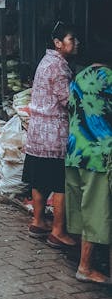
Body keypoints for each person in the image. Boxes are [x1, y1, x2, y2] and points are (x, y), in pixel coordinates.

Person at [23, 21, 78, 248]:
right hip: (53, 134)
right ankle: (57, 231)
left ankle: (38, 221)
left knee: (39, 179)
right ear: (58, 43)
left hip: (37, 133)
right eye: (71, 39)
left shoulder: (46, 61)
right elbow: (68, 100)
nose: (76, 43)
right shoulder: (60, 67)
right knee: (59, 183)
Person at [65, 47, 112, 284]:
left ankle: (84, 260)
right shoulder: (107, 77)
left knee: (82, 208)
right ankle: (85, 266)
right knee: (96, 209)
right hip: (97, 154)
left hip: (75, 151)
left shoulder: (78, 77)